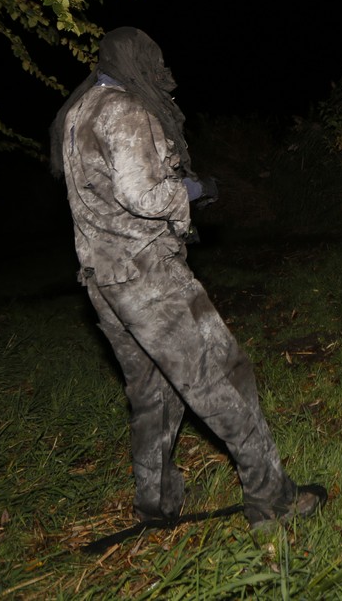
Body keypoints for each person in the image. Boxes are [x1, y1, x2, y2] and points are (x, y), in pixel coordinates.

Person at [48, 27, 326, 533]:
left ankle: (156, 503)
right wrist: (197, 188)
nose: (161, 71)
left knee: (152, 391)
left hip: (102, 278)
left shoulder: (79, 111)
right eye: (153, 61)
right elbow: (143, 195)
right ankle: (272, 498)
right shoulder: (124, 110)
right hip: (149, 277)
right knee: (221, 375)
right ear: (137, 61)